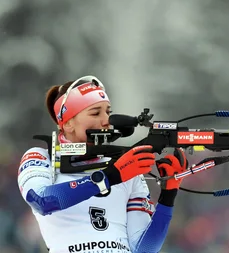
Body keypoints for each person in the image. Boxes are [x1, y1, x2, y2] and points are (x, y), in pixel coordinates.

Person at [17, 75, 189, 253]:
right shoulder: (41, 157)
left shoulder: (126, 166)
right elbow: (42, 200)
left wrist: (168, 196)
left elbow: (144, 249)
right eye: (95, 112)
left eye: (108, 112)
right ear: (68, 123)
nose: (107, 120)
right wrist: (110, 176)